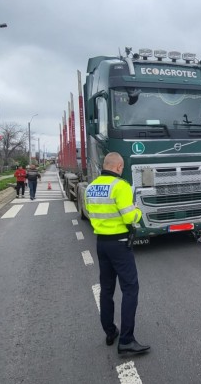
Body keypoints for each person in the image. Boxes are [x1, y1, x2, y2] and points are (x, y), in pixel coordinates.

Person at [85, 152, 149, 355]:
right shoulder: (120, 186)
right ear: (119, 167)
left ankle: (110, 332)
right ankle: (127, 340)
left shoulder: (91, 186)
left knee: (107, 289)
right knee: (130, 289)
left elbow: (90, 212)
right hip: (120, 244)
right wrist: (137, 210)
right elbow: (130, 216)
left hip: (101, 243)